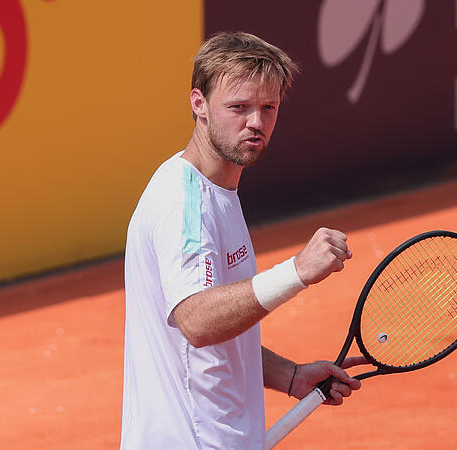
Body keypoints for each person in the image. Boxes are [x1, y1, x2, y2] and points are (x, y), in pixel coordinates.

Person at [120, 32, 369, 449]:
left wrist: (289, 376)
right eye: (238, 107)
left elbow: (218, 340)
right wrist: (296, 273)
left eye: (267, 107)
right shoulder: (184, 204)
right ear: (198, 104)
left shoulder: (217, 193)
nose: (256, 122)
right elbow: (196, 322)